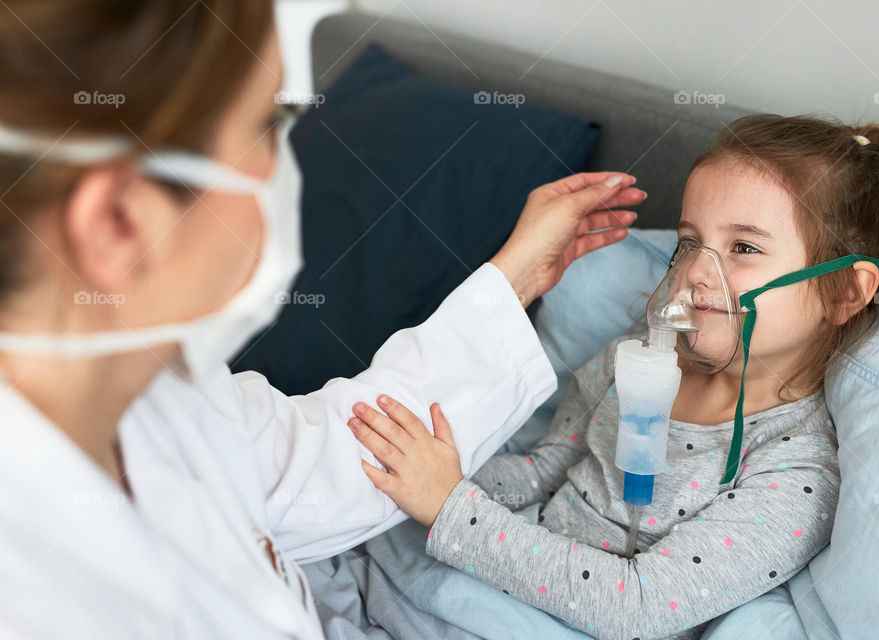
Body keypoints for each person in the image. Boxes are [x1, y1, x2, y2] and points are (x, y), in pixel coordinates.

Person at [0, 2, 646, 638]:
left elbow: (328, 459)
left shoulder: (154, 391)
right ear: (119, 221)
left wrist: (518, 276)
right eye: (265, 125)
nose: (291, 162)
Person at [348, 114, 879, 639]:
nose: (694, 273)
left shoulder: (796, 471)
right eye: (691, 242)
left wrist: (451, 509)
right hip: (465, 590)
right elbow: (548, 471)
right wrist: (428, 474)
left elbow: (636, 606)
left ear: (844, 292)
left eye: (743, 247)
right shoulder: (636, 361)